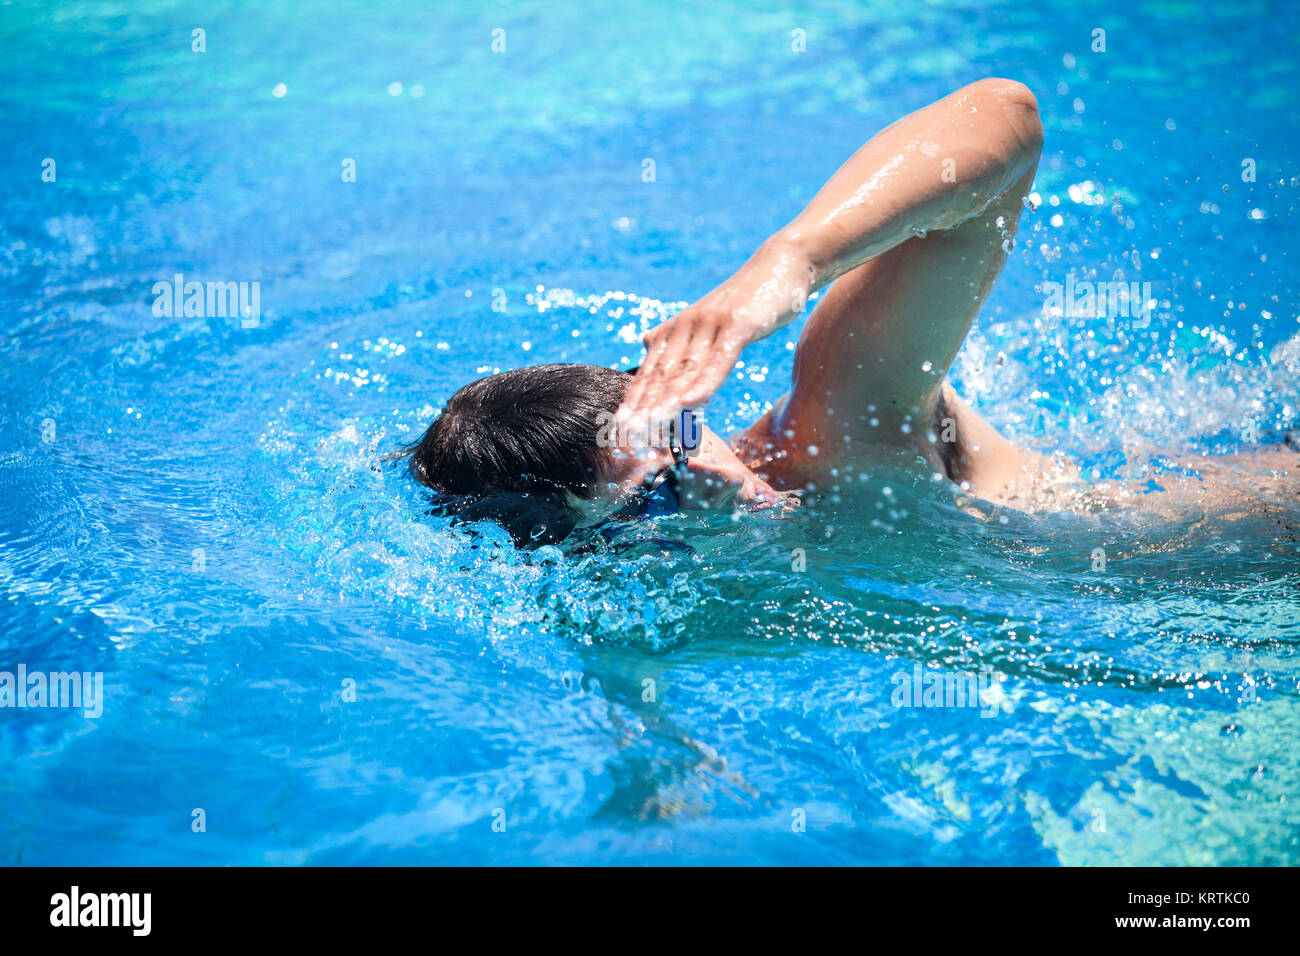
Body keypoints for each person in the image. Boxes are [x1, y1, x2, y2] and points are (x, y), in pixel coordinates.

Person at [394, 78, 1294, 544]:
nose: (707, 486)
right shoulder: (681, 583)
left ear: (675, 401)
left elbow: (1008, 119)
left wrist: (787, 264)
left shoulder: (831, 420)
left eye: (676, 449)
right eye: (649, 508)